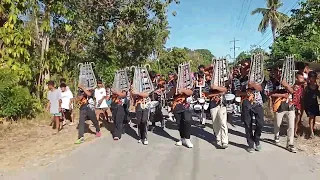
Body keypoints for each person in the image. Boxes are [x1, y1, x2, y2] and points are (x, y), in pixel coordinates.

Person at [234, 60, 264, 153]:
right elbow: (237, 92)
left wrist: (253, 85)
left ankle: (257, 139)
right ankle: (250, 144)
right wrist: (245, 92)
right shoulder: (238, 79)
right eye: (243, 66)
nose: (246, 68)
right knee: (248, 124)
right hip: (246, 103)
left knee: (260, 124)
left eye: (248, 67)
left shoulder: (257, 77)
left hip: (257, 103)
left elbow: (260, 88)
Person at [265, 67, 297, 153]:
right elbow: (269, 93)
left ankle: (290, 144)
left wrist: (286, 85)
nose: (278, 72)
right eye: (276, 70)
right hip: (279, 105)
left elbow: (293, 91)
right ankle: (276, 135)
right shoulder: (270, 82)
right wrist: (282, 95)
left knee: (291, 125)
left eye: (280, 71)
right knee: (277, 124)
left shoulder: (290, 80)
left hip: (289, 105)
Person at [168, 80, 194, 148]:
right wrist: (174, 89)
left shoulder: (188, 81)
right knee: (179, 123)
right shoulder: (172, 83)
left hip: (186, 105)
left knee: (187, 121)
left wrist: (183, 90)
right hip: (176, 105)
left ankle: (187, 139)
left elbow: (191, 92)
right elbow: (169, 94)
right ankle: (182, 138)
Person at [208, 82, 228, 149]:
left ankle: (225, 141)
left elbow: (225, 90)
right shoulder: (209, 82)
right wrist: (217, 94)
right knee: (215, 123)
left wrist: (217, 88)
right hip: (213, 105)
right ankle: (218, 139)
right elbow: (207, 95)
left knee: (223, 123)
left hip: (222, 105)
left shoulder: (222, 80)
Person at [303, 71, 320, 139]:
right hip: (309, 104)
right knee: (311, 117)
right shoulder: (307, 86)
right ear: (309, 78)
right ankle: (311, 132)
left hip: (315, 103)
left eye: (314, 77)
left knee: (314, 117)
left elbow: (318, 94)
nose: (313, 79)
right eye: (312, 77)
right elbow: (304, 96)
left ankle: (312, 130)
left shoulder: (316, 86)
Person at [292, 72, 305, 137]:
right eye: (301, 78)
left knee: (297, 119)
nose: (302, 79)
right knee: (292, 118)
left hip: (300, 104)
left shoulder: (302, 86)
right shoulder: (293, 86)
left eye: (303, 78)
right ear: (296, 79)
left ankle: (295, 132)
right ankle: (291, 132)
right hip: (293, 104)